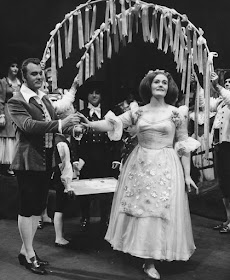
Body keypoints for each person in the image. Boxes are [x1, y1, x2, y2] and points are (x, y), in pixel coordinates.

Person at [78, 70, 200, 279]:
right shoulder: (138, 111)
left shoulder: (176, 113)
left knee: (159, 209)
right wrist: (89, 125)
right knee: (142, 208)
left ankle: (155, 256)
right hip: (140, 163)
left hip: (166, 164)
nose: (160, 84)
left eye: (164, 82)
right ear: (149, 86)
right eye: (156, 81)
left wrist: (187, 174)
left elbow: (182, 144)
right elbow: (111, 123)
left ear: (168, 87)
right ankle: (144, 255)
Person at [7, 57, 80, 275]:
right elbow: (29, 126)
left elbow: (55, 128)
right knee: (27, 208)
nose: (39, 77)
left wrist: (74, 127)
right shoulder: (16, 101)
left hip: (46, 160)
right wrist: (60, 124)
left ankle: (25, 251)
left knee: (37, 207)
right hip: (28, 161)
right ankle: (29, 253)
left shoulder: (44, 99)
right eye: (33, 74)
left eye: (40, 73)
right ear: (24, 77)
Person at [77, 80, 115, 232]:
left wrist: (116, 158)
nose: (94, 95)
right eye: (91, 92)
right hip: (86, 158)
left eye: (97, 92)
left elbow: (116, 137)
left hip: (105, 157)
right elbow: (75, 139)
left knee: (105, 190)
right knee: (85, 189)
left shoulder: (109, 114)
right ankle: (85, 217)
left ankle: (104, 218)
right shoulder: (81, 115)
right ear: (86, 96)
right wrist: (76, 159)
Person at [202, 71, 230, 234]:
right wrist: (198, 83)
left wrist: (217, 86)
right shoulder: (221, 102)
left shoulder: (226, 98)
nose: (227, 83)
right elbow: (204, 103)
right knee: (224, 185)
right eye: (226, 81)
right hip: (220, 146)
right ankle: (228, 219)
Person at [0, 58, 21, 176]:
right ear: (8, 68)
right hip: (7, 112)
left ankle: (16, 163)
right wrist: (1, 115)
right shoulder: (3, 82)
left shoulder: (20, 83)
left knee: (17, 137)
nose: (15, 69)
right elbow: (1, 100)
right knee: (9, 137)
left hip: (17, 112)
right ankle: (9, 165)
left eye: (17, 66)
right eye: (13, 66)